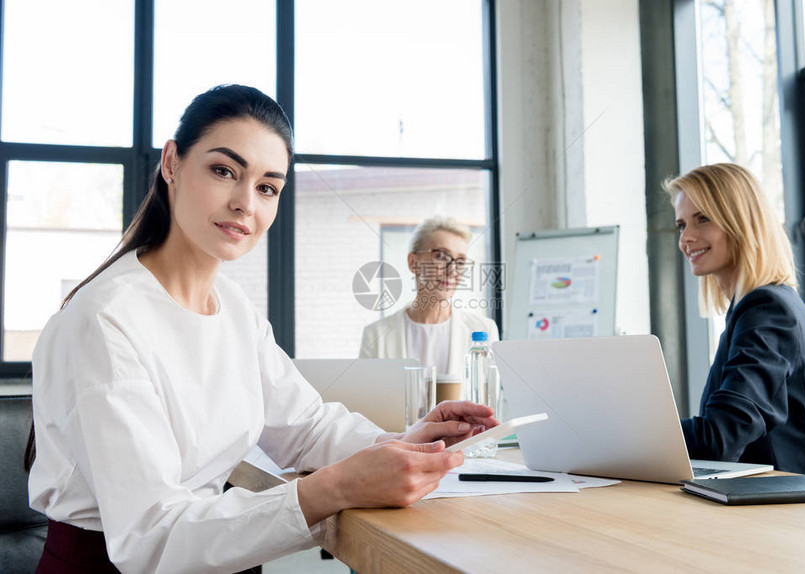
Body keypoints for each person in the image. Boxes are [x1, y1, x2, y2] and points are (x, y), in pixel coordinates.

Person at [27, 85, 497, 573]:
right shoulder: (104, 319)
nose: (245, 204)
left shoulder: (233, 307)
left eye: (267, 187)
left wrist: (407, 441)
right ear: (171, 163)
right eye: (224, 171)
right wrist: (334, 487)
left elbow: (306, 428)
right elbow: (153, 541)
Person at [666, 163, 805, 476]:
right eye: (681, 225)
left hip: (788, 511)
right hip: (766, 502)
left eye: (702, 219)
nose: (686, 237)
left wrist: (630, 437)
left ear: (740, 222)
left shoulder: (768, 309)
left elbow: (720, 436)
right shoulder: (753, 306)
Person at [359, 216, 499, 381]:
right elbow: (367, 403)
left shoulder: (484, 330)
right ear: (413, 263)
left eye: (460, 261)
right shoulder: (376, 335)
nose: (452, 270)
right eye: (441, 256)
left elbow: (487, 401)